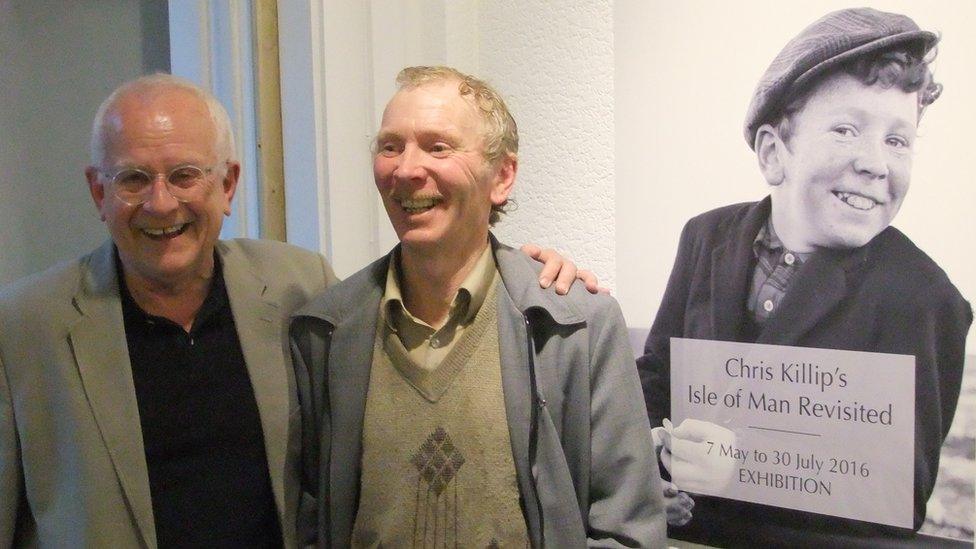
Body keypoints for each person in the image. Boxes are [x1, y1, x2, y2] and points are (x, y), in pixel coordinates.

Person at [0, 74, 592, 547]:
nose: (161, 203)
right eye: (132, 179)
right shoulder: (23, 328)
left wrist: (532, 272)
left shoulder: (298, 289)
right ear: (97, 192)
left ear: (227, 185)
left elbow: (431, 278)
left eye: (185, 175)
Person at [290, 66, 666, 547]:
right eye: (390, 146)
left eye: (437, 146)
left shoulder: (576, 328)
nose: (406, 169)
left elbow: (630, 531)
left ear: (502, 176)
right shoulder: (324, 333)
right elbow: (310, 524)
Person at [638, 8, 973, 547]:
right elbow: (657, 378)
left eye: (898, 140)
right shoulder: (704, 239)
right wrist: (652, 448)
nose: (875, 163)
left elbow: (897, 500)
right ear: (774, 153)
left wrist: (745, 464)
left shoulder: (924, 300)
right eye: (846, 130)